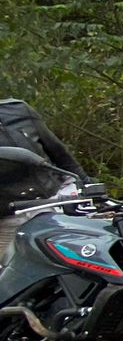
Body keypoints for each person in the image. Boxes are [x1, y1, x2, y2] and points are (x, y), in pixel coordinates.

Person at [0, 97, 86, 263]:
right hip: (9, 217)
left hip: (57, 201)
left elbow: (62, 156)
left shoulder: (18, 109)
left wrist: (88, 185)